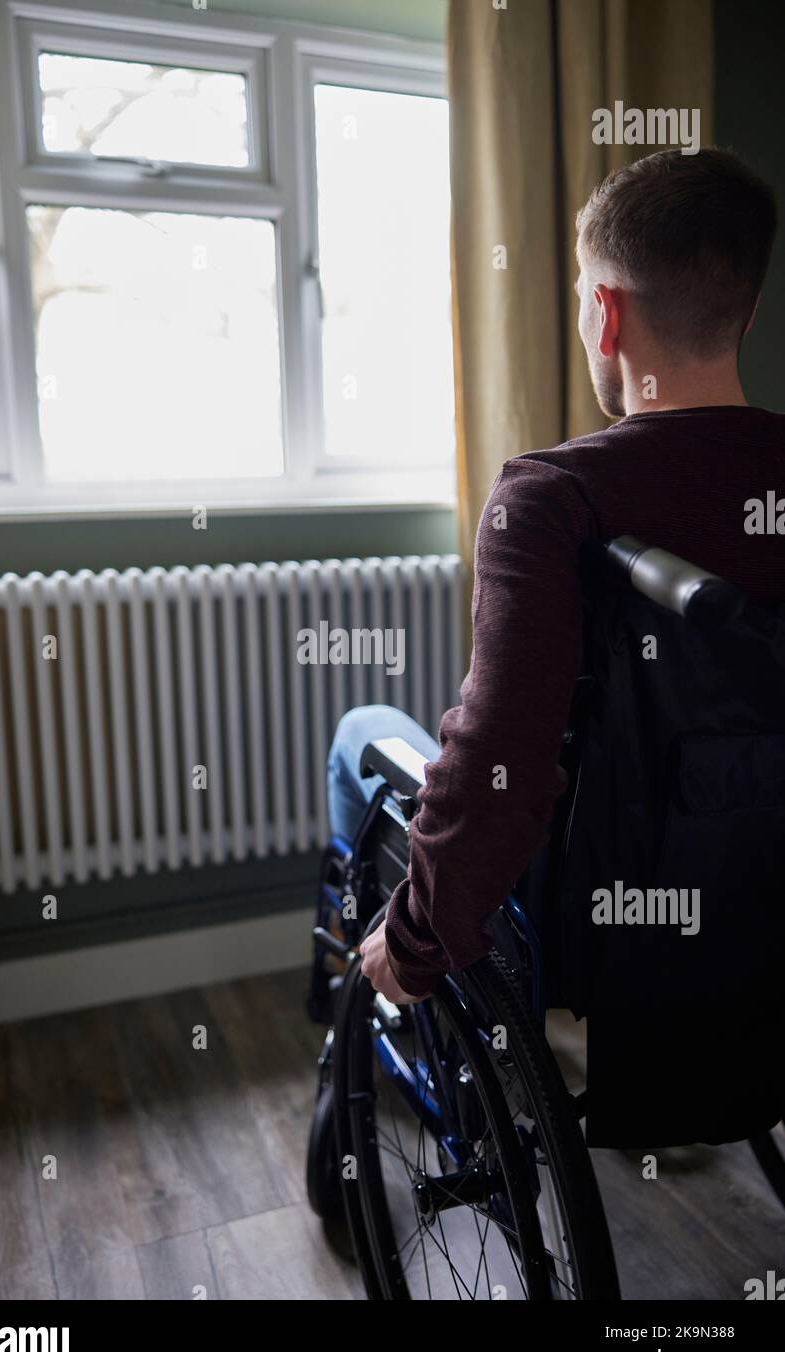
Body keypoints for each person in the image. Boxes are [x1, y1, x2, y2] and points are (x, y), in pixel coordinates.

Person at [326, 146, 784, 1004]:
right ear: (746, 312)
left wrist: (419, 939)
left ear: (604, 316)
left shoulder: (550, 496)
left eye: (581, 301)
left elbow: (502, 754)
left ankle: (364, 973)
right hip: (762, 902)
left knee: (363, 728)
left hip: (599, 912)